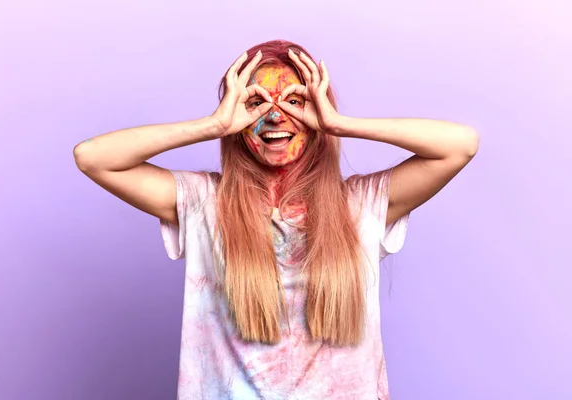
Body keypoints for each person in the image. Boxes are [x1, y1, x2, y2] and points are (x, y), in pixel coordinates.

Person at [73, 40, 479, 400]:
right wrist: (212, 125)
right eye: (257, 103)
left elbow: (460, 145)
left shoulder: (362, 203)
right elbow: (93, 157)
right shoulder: (203, 203)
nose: (276, 116)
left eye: (294, 101)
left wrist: (340, 125)